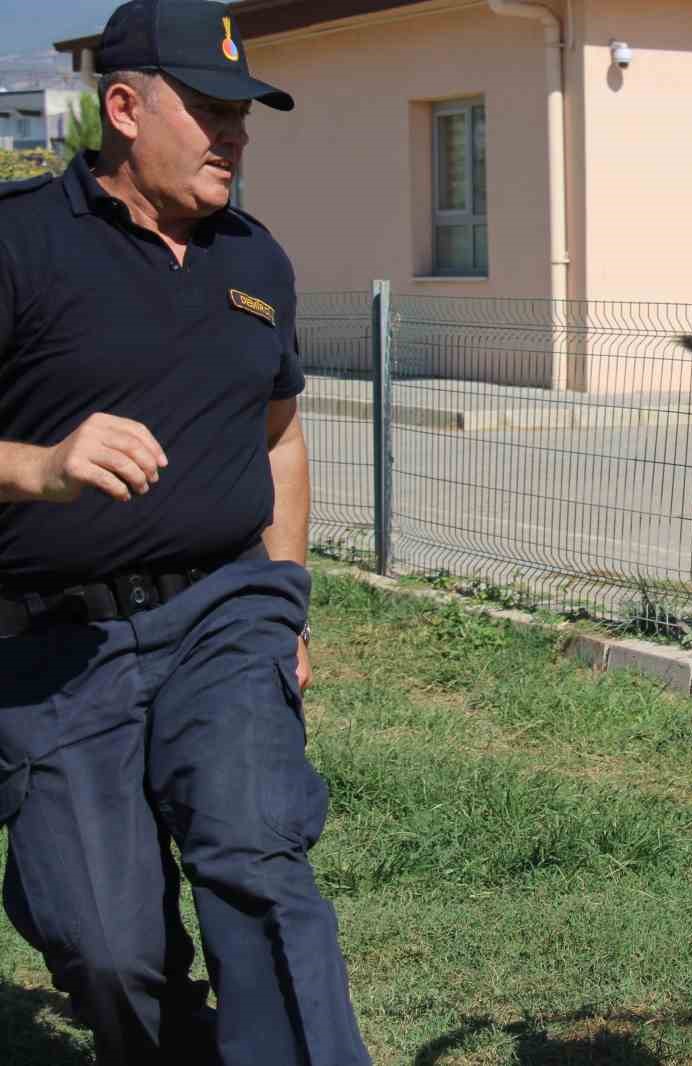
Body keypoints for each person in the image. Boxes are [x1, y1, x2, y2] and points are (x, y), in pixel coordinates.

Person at [0, 2, 370, 1063]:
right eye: (207, 110)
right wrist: (42, 465)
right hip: (51, 647)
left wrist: (286, 593)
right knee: (107, 948)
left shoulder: (256, 260)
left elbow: (281, 441)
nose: (234, 135)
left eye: (242, 115)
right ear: (123, 107)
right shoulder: (19, 242)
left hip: (226, 613)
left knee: (256, 856)